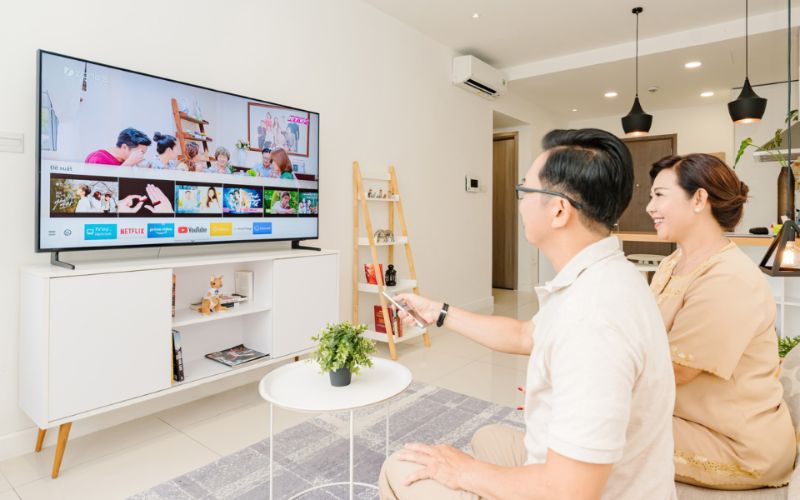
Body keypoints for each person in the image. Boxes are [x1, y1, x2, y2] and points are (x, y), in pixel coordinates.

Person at [379, 129, 677, 500]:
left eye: (524, 190)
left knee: (400, 468)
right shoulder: (606, 276)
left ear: (558, 210)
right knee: (487, 437)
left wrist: (463, 471)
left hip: (582, 490)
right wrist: (439, 312)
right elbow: (525, 335)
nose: (519, 202)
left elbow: (570, 492)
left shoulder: (593, 319)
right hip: (603, 473)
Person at [645, 153, 796, 489]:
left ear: (699, 199)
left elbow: (676, 370)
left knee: (597, 427)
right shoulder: (673, 263)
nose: (650, 207)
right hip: (688, 418)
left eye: (659, 195)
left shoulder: (728, 277)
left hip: (736, 443)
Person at [84, 128, 151, 166]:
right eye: (140, 152)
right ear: (124, 147)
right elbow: (103, 185)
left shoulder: (123, 161)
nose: (141, 157)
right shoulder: (98, 158)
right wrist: (128, 164)